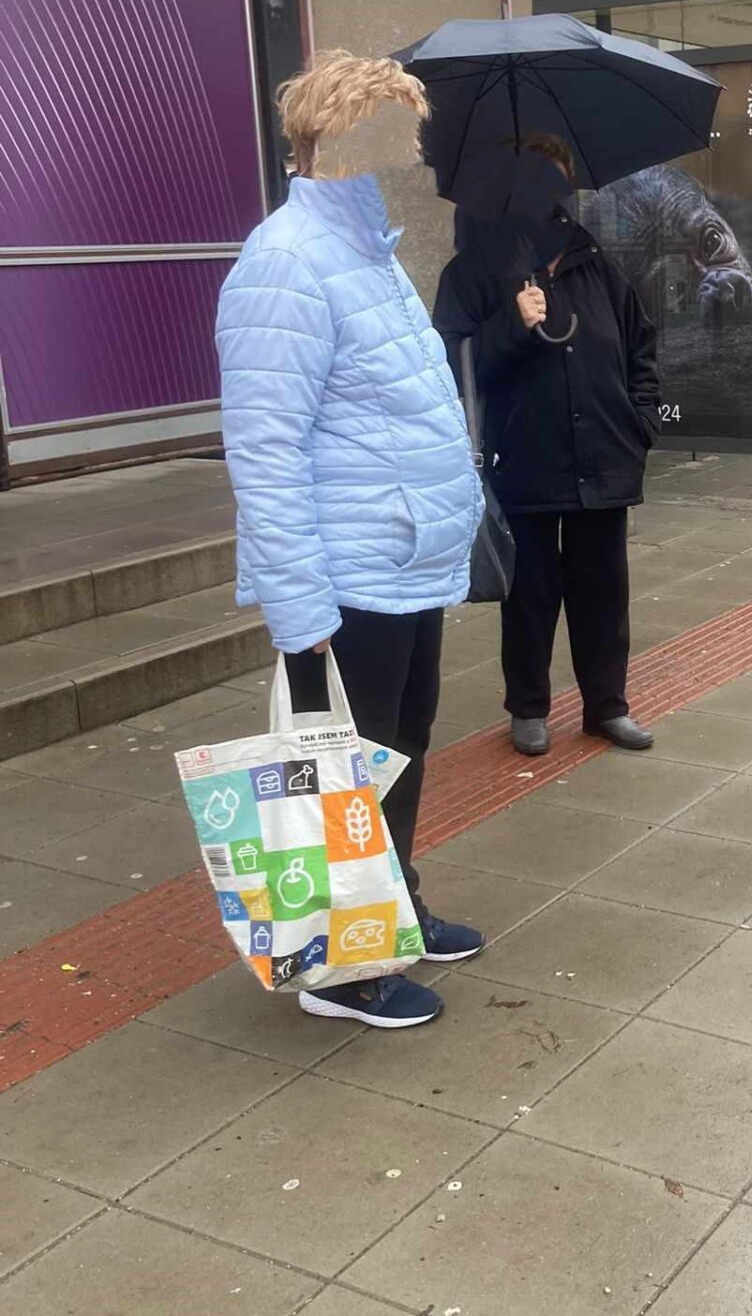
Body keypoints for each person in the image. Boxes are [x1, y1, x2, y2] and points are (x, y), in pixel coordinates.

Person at [216, 51, 487, 1030]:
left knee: (395, 753)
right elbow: (265, 447)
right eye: (402, 134)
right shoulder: (285, 261)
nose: (422, 156)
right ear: (337, 139)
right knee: (342, 773)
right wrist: (300, 611)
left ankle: (394, 908)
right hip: (349, 576)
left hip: (404, 562)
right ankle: (341, 970)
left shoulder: (369, 251)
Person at [434, 132, 660, 759]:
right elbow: (448, 363)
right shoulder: (475, 272)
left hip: (604, 456)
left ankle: (606, 705)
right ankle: (529, 707)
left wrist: (640, 423)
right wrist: (513, 323)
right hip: (523, 460)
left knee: (603, 591)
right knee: (530, 594)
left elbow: (642, 348)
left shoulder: (598, 264)